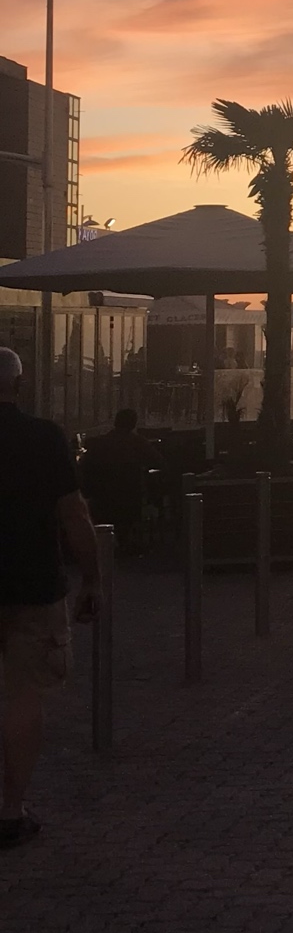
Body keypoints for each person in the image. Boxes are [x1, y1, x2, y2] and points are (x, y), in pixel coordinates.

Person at [1, 348, 101, 849]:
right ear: (18, 385)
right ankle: (10, 810)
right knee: (22, 695)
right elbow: (73, 516)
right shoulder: (44, 438)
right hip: (32, 584)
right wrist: (93, 579)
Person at [78, 408, 160, 555]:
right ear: (133, 424)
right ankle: (126, 541)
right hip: (130, 495)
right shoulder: (137, 442)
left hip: (101, 496)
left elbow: (84, 468)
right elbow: (158, 462)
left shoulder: (98, 444)